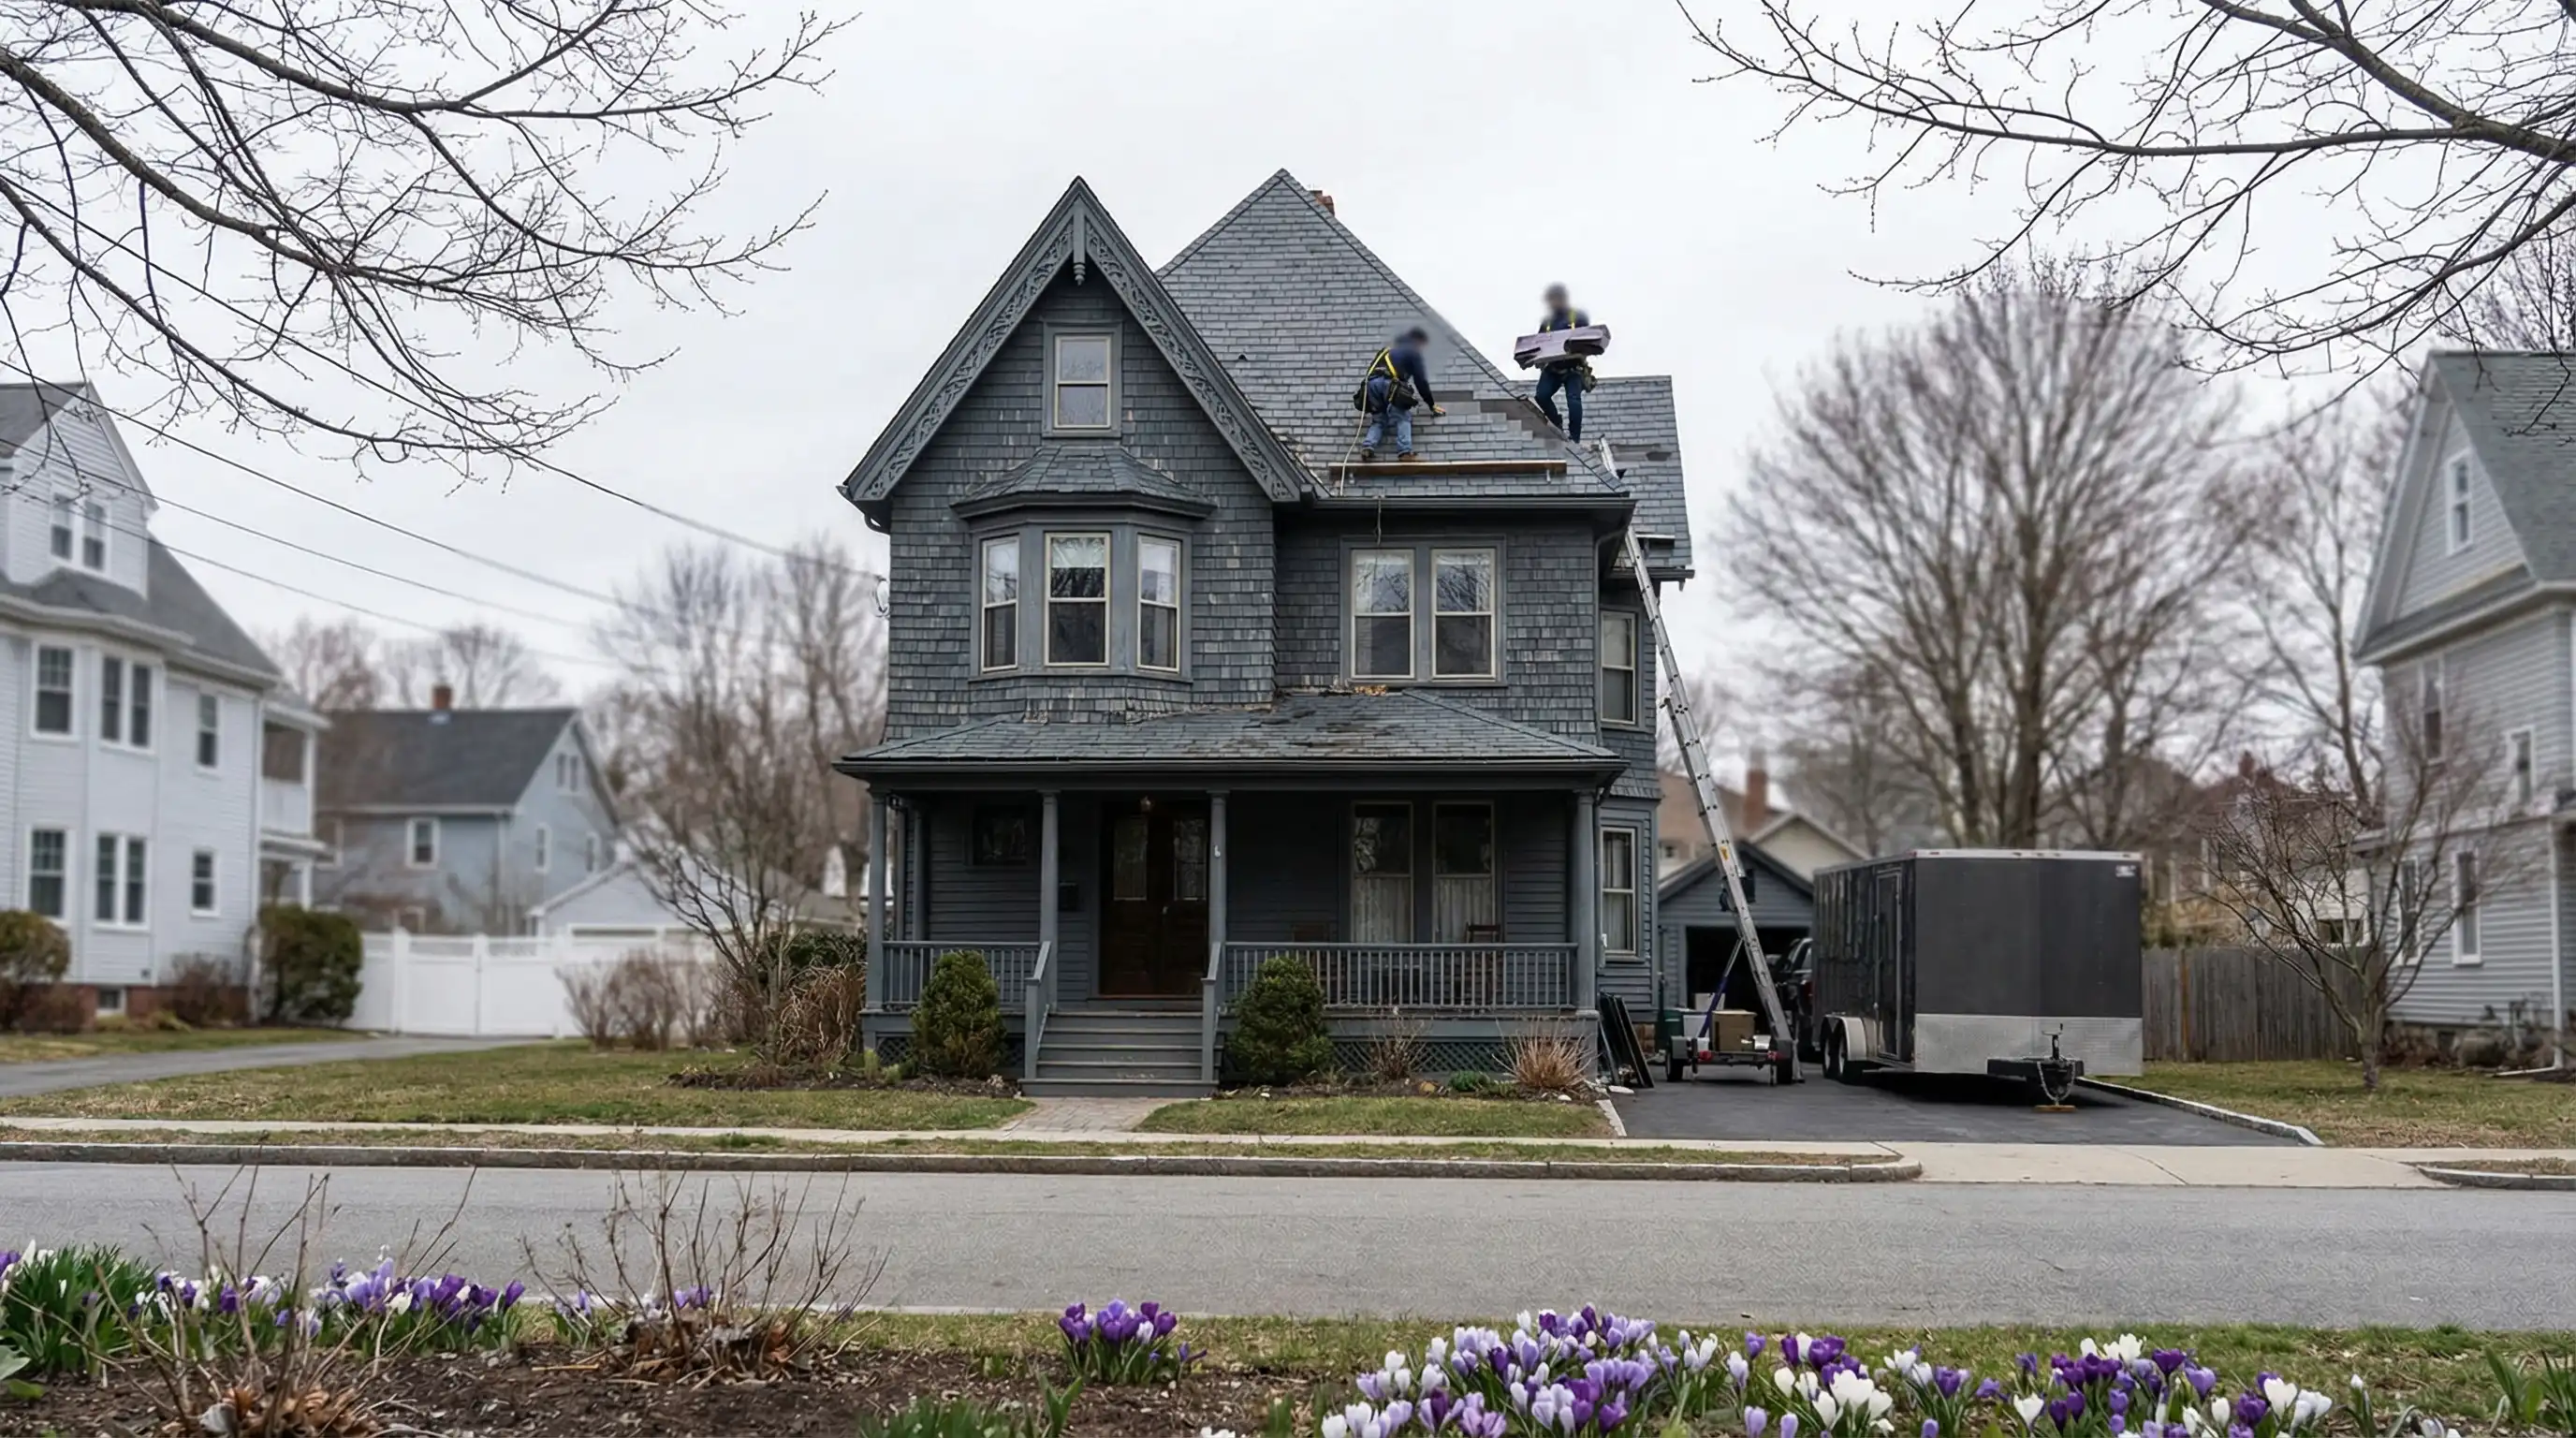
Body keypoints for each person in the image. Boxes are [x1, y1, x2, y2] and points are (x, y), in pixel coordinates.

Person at [1360, 326, 1443, 460]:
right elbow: (1420, 380)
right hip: (1390, 385)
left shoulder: (1387, 350)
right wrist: (1431, 404)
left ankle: (1368, 446)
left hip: (1372, 385)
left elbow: (1371, 371)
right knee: (1402, 417)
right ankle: (1405, 451)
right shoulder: (1413, 351)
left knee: (1379, 420)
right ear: (1418, 341)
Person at [1531, 283, 1591, 443]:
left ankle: (1575, 439)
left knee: (1573, 401)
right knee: (1541, 395)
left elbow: (1589, 340)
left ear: (1563, 299)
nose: (1552, 304)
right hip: (1554, 368)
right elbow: (1539, 344)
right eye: (1550, 301)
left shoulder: (1578, 318)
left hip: (1573, 368)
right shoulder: (1548, 322)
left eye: (1555, 300)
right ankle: (1557, 423)